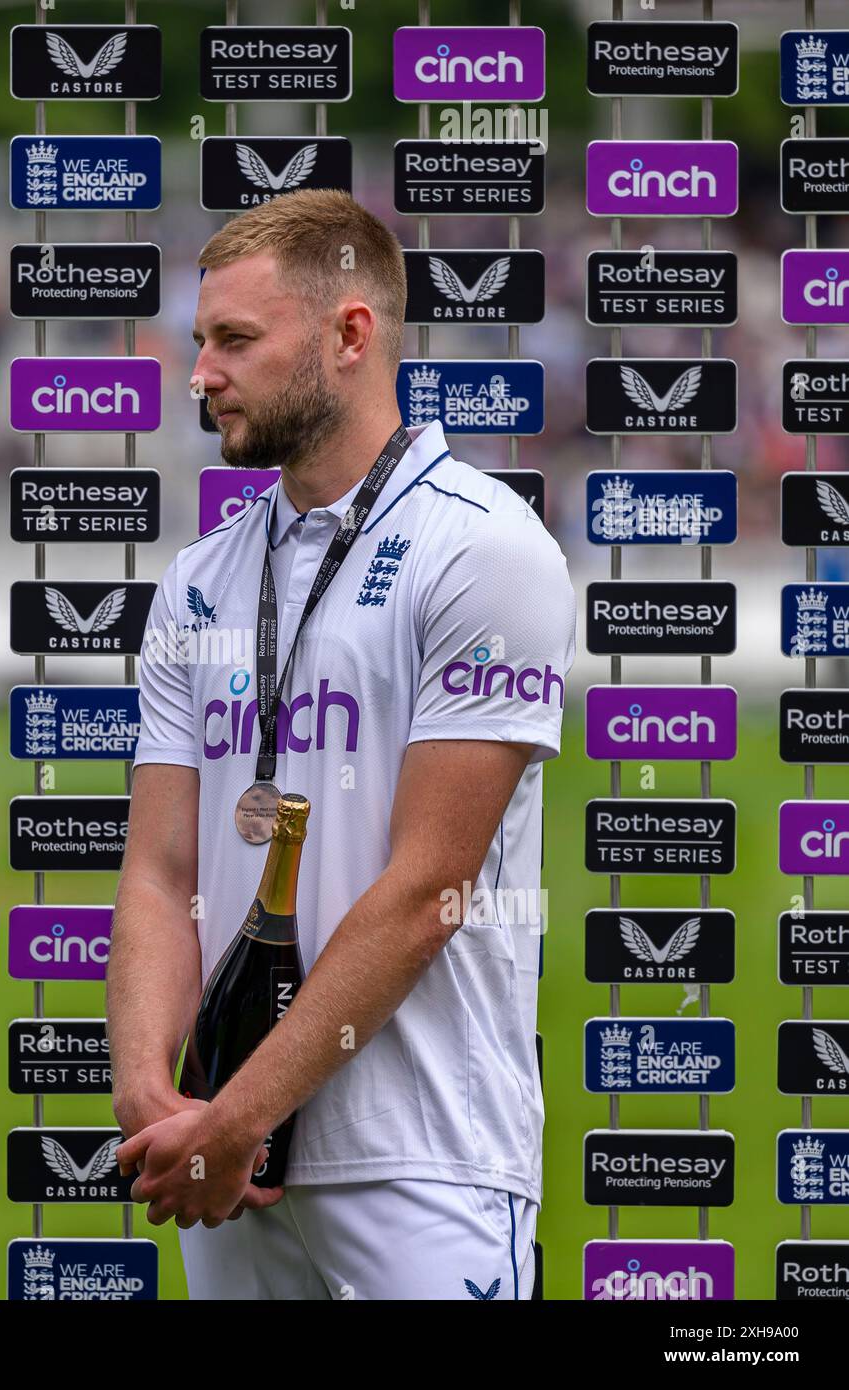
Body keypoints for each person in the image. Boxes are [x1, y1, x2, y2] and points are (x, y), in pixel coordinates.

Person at [106, 188, 576, 1300]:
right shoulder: (199, 576)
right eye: (198, 342)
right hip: (227, 1156)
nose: (200, 374)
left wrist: (241, 1109)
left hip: (422, 1162)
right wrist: (146, 1090)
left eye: (234, 341)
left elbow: (428, 889)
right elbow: (160, 870)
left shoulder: (482, 550)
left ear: (348, 335)